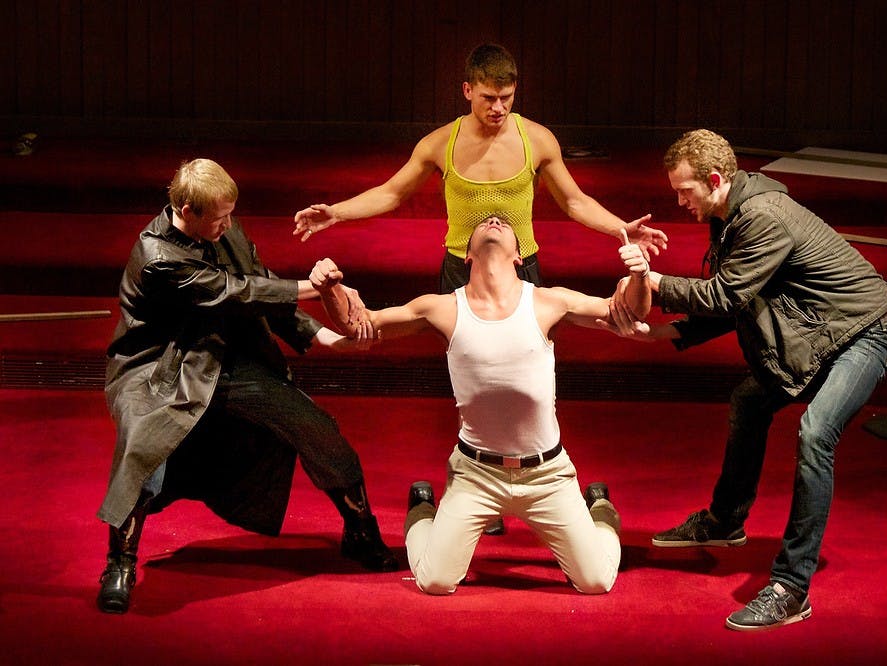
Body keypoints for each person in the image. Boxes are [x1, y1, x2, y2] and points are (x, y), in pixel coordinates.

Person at [296, 42, 665, 535]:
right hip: (459, 270)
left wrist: (622, 228)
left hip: (524, 268)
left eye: (507, 98)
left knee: (531, 372)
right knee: (468, 374)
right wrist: (334, 212)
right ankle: (475, 481)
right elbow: (391, 192)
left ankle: (540, 481)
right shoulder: (439, 144)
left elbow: (574, 201)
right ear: (467, 90)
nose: (498, 108)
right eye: (489, 97)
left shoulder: (537, 140)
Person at [625, 129, 887, 630]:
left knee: (816, 433)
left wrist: (654, 282)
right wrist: (666, 333)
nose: (678, 201)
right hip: (824, 336)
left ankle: (792, 587)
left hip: (867, 335)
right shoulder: (730, 214)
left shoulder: (761, 217)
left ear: (714, 180)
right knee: (750, 402)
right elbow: (740, 298)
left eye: (683, 191)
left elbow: (726, 296)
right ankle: (724, 521)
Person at [95, 159, 397, 615]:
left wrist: (324, 337)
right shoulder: (156, 256)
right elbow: (234, 292)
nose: (227, 225)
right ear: (185, 208)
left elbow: (262, 285)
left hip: (223, 358)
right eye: (217, 218)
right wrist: (315, 288)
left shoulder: (223, 229)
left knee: (313, 425)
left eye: (230, 214)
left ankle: (360, 529)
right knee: (143, 445)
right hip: (161, 368)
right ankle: (119, 560)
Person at [308, 214, 652, 594]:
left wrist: (639, 277)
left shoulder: (550, 301)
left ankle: (599, 509)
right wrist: (329, 290)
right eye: (485, 223)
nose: (493, 219)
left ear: (520, 257)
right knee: (435, 581)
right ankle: (423, 509)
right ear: (466, 255)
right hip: (476, 474)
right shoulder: (439, 308)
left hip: (546, 474)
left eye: (504, 222)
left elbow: (629, 312)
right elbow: (361, 327)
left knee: (597, 581)